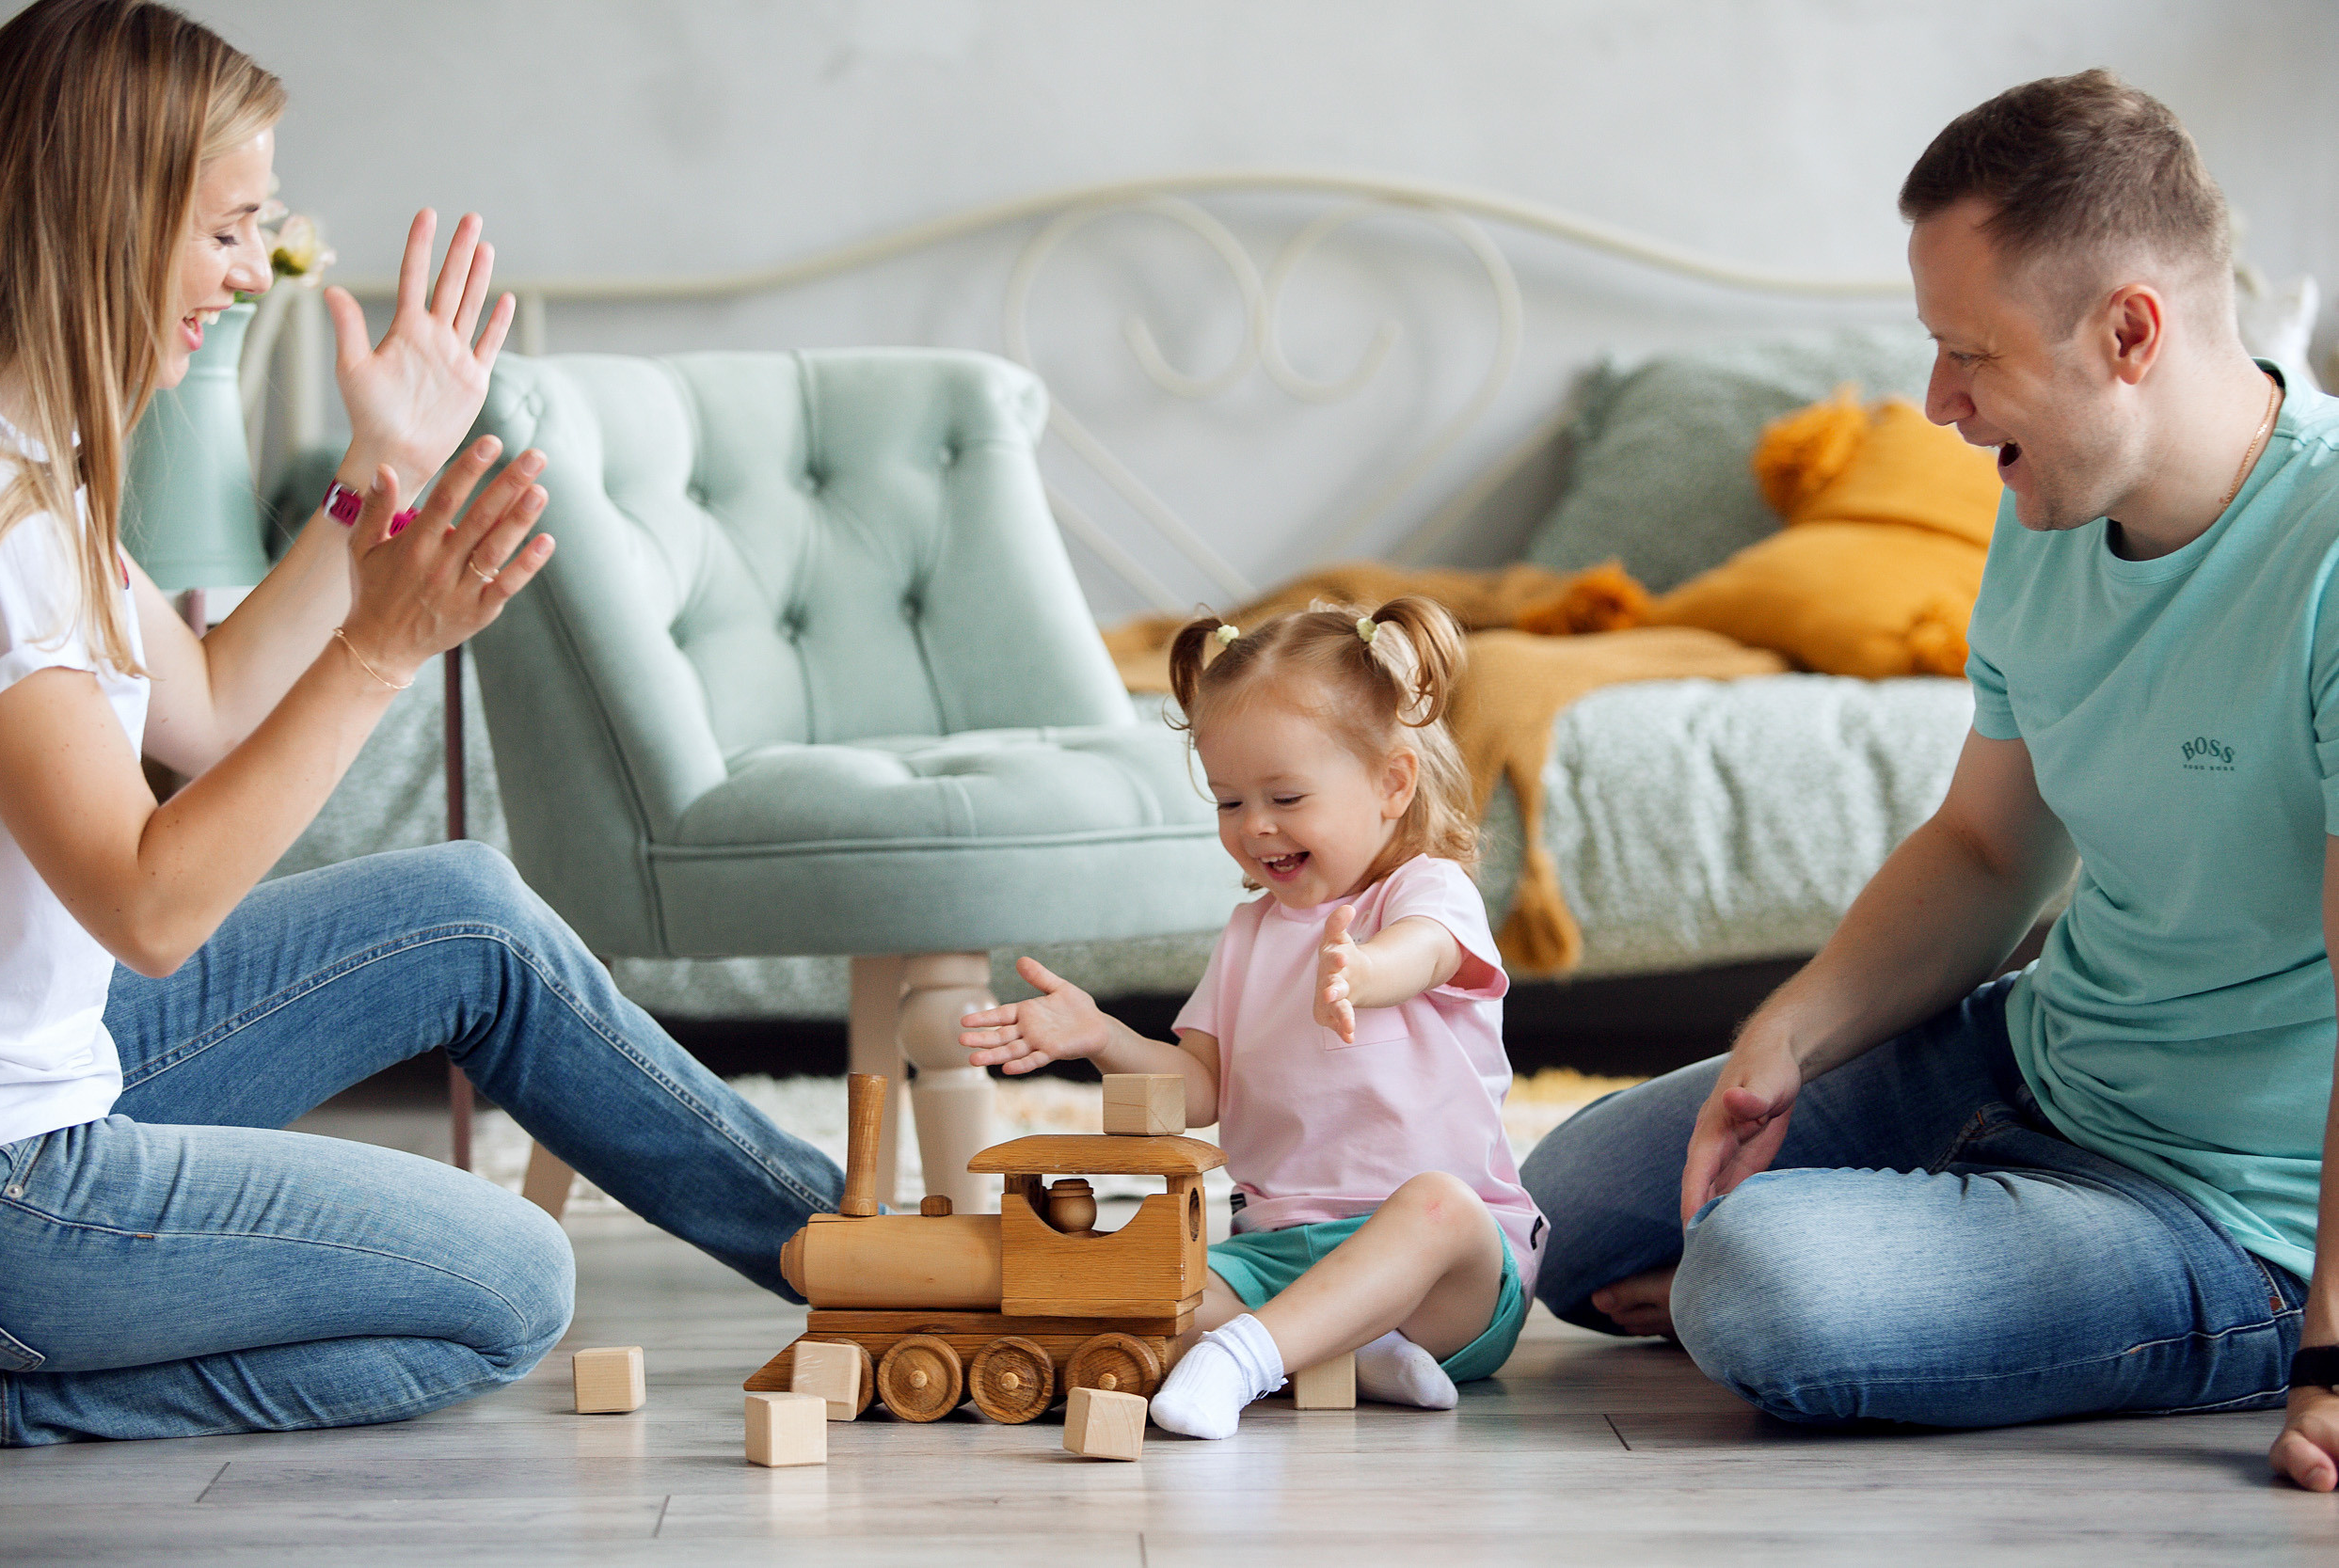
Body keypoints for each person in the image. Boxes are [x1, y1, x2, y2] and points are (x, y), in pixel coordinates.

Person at [0, 0, 842, 1447]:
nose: (253, 274)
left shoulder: (31, 462)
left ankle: (855, 1249)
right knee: (509, 1286)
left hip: (56, 1058)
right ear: (106, 219)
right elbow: (149, 901)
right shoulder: (1, 527)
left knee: (470, 917)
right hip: (17, 1180)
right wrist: (380, 654)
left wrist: (382, 462)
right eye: (230, 228)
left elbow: (206, 707)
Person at [1520, 68, 2339, 1490]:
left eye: (1971, 351)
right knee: (1560, 1209)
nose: (1937, 400)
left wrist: (2333, 1352)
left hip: (2228, 1208)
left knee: (1760, 1284)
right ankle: (1929, 1246)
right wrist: (1789, 1039)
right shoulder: (2052, 498)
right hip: (2039, 1056)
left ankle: (2205, 1326)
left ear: (2129, 331)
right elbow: (1982, 848)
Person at [960, 598, 1544, 1439]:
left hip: (1444, 1271)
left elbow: (1430, 952)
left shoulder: (1423, 891)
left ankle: (1249, 1359)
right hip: (1274, 1252)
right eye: (1230, 802)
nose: (1255, 826)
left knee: (1437, 1205)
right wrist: (1100, 1035)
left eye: (1286, 796)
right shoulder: (1248, 935)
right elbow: (1198, 1089)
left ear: (1392, 782)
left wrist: (1365, 970)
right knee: (1129, 1288)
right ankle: (1338, 1350)